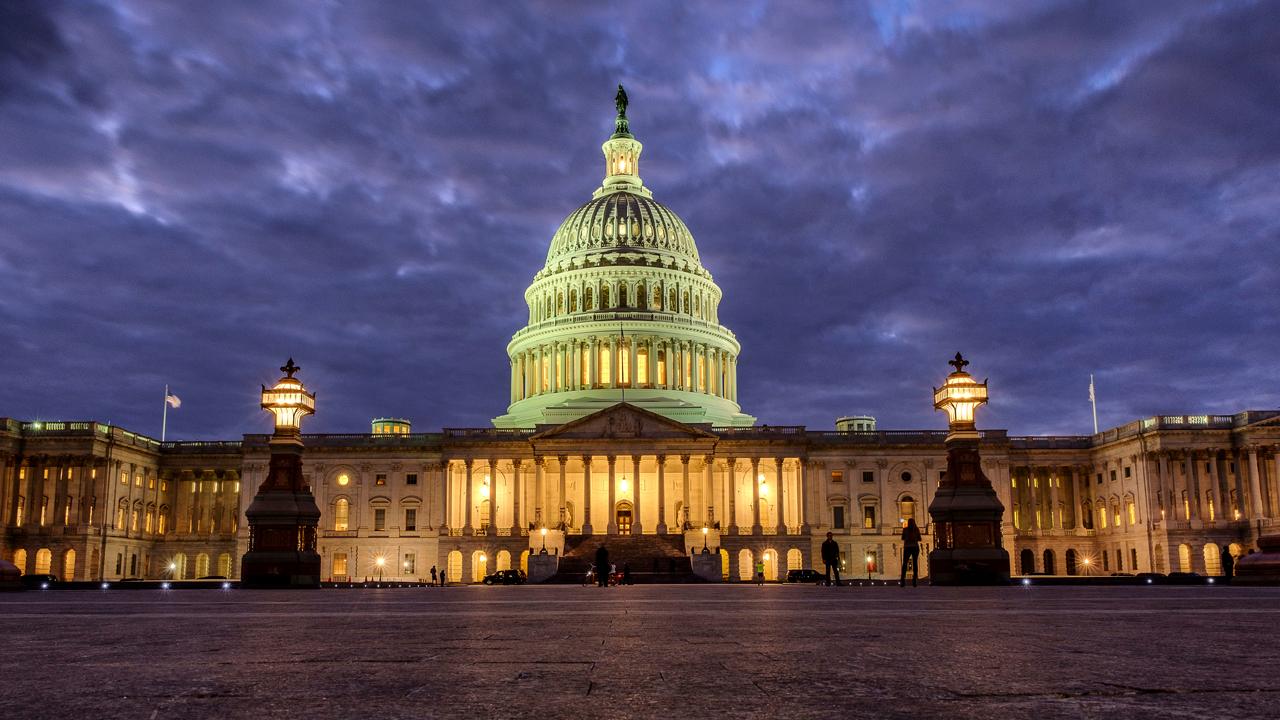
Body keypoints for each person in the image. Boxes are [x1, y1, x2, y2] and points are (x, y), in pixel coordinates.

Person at [900, 518, 922, 587]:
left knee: (905, 563)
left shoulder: (905, 529)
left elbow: (903, 538)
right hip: (915, 547)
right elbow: (919, 538)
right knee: (915, 563)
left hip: (907, 547)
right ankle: (914, 580)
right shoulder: (916, 529)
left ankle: (902, 580)